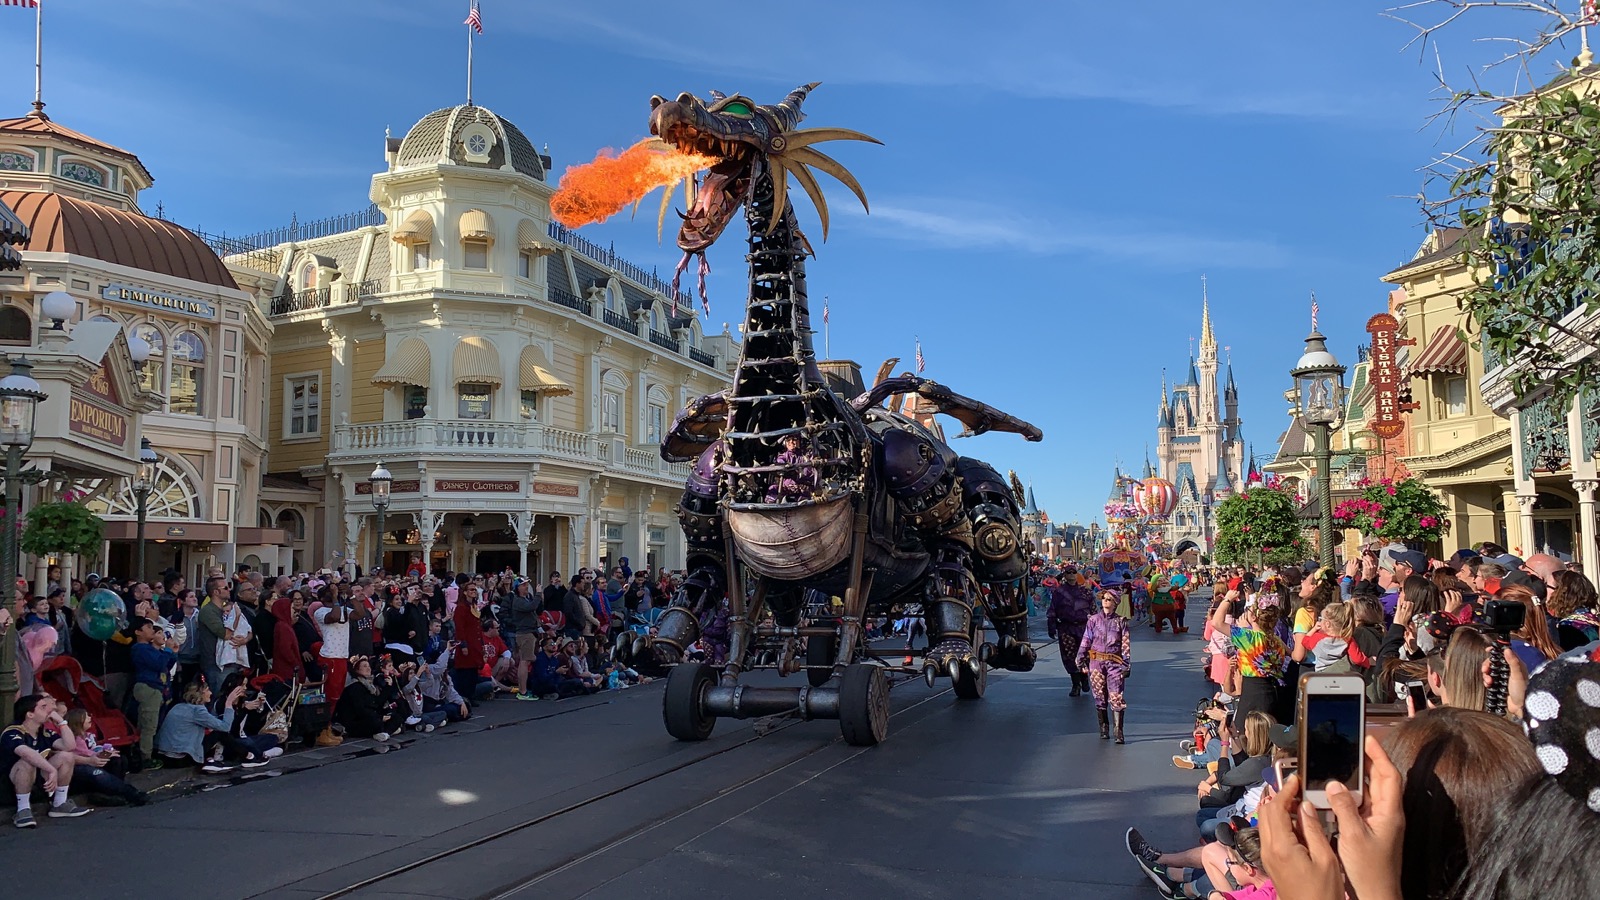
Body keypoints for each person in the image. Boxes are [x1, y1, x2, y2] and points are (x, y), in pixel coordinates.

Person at [5, 693, 90, 827]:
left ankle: (60, 803)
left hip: (41, 783)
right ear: (30, 714)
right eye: (43, 707)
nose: (49, 710)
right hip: (11, 787)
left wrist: (62, 722)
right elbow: (26, 753)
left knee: (66, 756)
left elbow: (69, 746)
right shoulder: (13, 732)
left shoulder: (44, 732)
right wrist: (51, 770)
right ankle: (22, 810)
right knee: (26, 762)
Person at [1077, 590, 1132, 743]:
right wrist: (1080, 659)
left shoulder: (1121, 621)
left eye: (1109, 599)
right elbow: (1086, 640)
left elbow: (1126, 644)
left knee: (1116, 696)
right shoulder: (1093, 620)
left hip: (1114, 662)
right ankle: (1103, 727)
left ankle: (1118, 730)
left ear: (1115, 603)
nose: (1106, 602)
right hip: (1096, 662)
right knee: (1099, 695)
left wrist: (1126, 664)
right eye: (1104, 599)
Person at [63, 709, 146, 807]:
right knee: (100, 775)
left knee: (119, 760)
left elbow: (94, 748)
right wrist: (102, 754)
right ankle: (131, 793)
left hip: (93, 760)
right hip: (81, 766)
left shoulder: (88, 735)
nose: (90, 717)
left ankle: (112, 794)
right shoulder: (75, 739)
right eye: (86, 717)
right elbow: (85, 753)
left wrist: (107, 753)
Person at [128, 616, 176, 770]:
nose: (151, 630)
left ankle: (144, 753)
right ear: (138, 632)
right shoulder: (140, 648)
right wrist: (168, 650)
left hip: (156, 688)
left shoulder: (150, 649)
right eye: (148, 627)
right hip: (148, 687)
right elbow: (158, 664)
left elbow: (165, 665)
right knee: (149, 725)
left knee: (149, 723)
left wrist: (172, 653)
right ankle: (145, 758)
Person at [1045, 567, 1094, 696]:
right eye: (1068, 573)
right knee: (1069, 656)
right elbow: (1052, 610)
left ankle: (1084, 679)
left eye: (1073, 572)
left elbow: (1094, 611)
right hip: (1066, 628)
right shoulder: (1059, 592)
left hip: (1084, 628)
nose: (1071, 575)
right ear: (1065, 575)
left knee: (1085, 656)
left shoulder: (1086, 592)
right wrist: (1051, 627)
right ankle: (1075, 684)